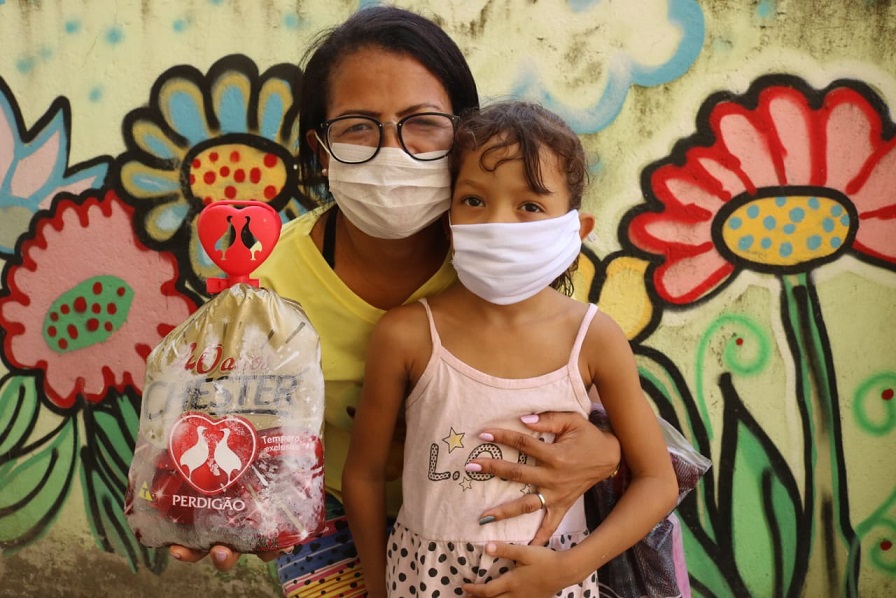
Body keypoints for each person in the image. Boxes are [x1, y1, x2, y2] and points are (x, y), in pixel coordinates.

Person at [170, 7, 623, 596]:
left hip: (495, 516)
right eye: (358, 126)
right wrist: (220, 505)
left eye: (423, 123)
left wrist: (606, 452)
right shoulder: (267, 283)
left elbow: (581, 394)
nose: (393, 151)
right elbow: (230, 427)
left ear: (463, 134)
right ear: (321, 147)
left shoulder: (504, 256)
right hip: (329, 512)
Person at [342, 101, 679, 597]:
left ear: (576, 230)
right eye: (474, 200)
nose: (497, 224)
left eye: (530, 206)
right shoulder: (406, 335)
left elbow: (658, 481)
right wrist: (378, 588)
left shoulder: (594, 338)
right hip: (421, 582)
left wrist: (568, 569)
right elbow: (364, 477)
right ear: (448, 220)